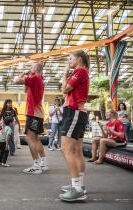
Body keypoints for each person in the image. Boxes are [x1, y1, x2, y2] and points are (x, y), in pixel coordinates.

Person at [59, 50, 90, 201]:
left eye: (71, 58)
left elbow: (64, 89)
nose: (69, 61)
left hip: (74, 112)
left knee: (65, 148)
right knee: (76, 150)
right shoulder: (81, 72)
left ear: (79, 58)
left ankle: (77, 187)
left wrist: (65, 72)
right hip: (77, 112)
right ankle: (79, 185)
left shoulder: (79, 71)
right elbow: (66, 89)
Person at [13, 63, 49, 175]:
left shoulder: (35, 78)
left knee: (29, 138)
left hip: (33, 114)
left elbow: (15, 80)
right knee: (35, 139)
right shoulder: (39, 79)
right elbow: (26, 90)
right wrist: (27, 78)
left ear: (35, 69)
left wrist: (23, 74)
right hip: (38, 114)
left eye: (31, 67)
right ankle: (43, 163)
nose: (30, 69)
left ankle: (36, 165)